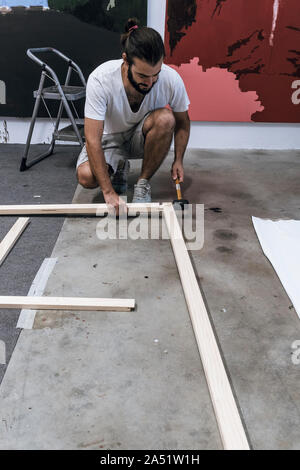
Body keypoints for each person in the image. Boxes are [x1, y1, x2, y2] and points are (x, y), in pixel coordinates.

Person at [76, 18, 190, 213]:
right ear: (126, 61)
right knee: (86, 177)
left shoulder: (171, 79)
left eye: (156, 74)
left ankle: (142, 183)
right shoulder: (101, 79)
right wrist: (108, 192)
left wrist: (178, 159)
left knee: (166, 118)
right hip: (109, 139)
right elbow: (92, 139)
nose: (151, 81)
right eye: (143, 76)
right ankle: (119, 166)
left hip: (140, 138)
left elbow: (182, 123)